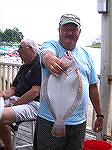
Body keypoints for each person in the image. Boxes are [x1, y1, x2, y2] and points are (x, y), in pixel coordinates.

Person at [33, 14, 104, 150]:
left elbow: (93, 86)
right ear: (59, 30)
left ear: (79, 32)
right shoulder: (51, 45)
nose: (70, 33)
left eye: (74, 29)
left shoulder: (86, 55)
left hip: (79, 123)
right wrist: (50, 60)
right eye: (66, 29)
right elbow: (46, 53)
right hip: (50, 121)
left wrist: (99, 114)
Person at [0, 39, 41, 150]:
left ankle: (7, 147)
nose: (18, 51)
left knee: (0, 115)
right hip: (18, 99)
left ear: (31, 49)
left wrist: (14, 104)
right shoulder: (23, 67)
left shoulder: (40, 64)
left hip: (33, 104)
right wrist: (3, 94)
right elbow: (14, 88)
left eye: (20, 48)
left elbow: (35, 91)